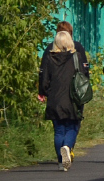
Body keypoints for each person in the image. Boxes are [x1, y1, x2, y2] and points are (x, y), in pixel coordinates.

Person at [38, 22, 90, 171]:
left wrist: (43, 91)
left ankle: (61, 162)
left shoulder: (49, 57)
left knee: (59, 130)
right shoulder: (76, 56)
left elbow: (44, 78)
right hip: (72, 98)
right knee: (72, 126)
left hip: (55, 98)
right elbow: (83, 75)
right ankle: (67, 146)